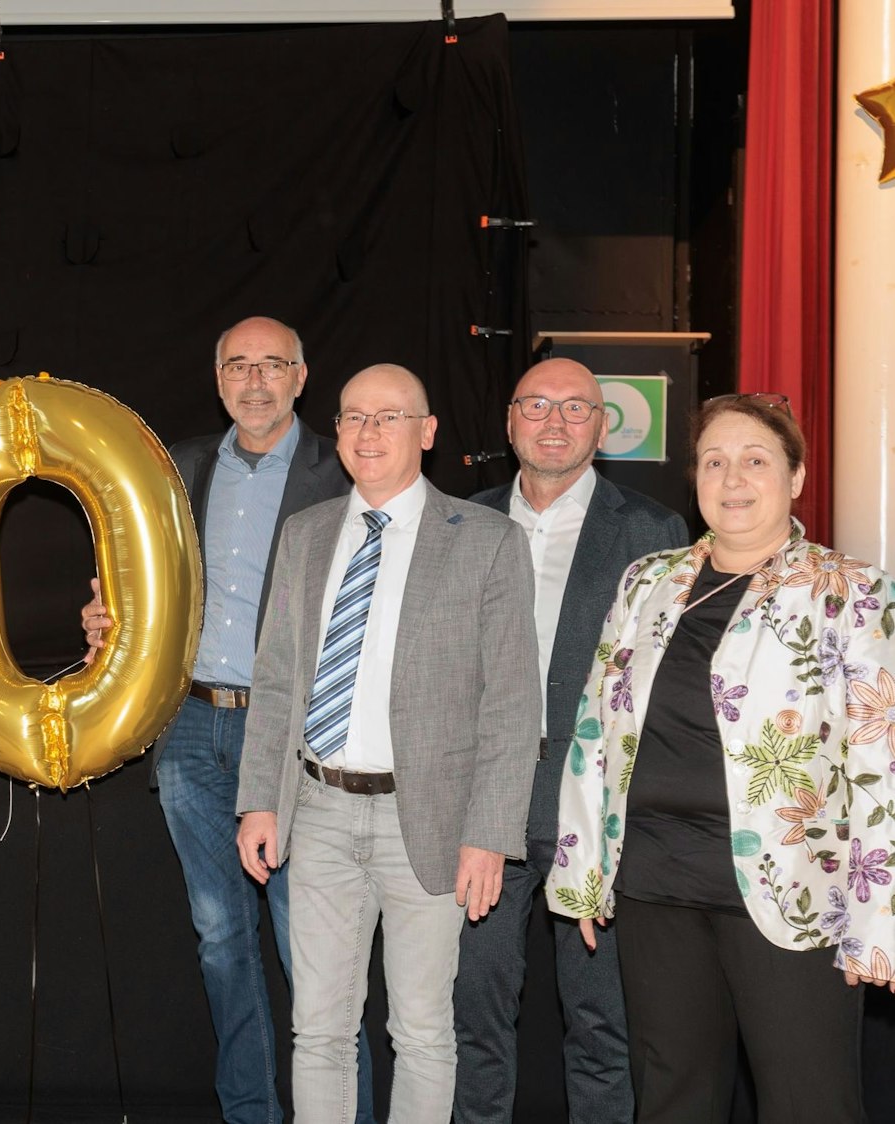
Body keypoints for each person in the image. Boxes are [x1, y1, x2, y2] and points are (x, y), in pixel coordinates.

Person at [547, 394, 895, 1122]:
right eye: (714, 461)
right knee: (674, 1099)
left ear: (796, 477)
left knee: (811, 1105)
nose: (732, 477)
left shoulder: (852, 593)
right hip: (653, 886)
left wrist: (880, 914)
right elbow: (594, 733)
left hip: (791, 891)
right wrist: (582, 870)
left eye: (755, 459)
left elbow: (880, 758)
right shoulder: (647, 583)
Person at [236, 363, 539, 1122]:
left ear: (427, 433)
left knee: (425, 1033)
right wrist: (258, 804)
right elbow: (275, 681)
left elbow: (510, 704)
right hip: (318, 812)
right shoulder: (304, 536)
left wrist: (489, 836)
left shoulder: (488, 542)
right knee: (320, 1031)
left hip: (429, 824)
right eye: (352, 418)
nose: (368, 434)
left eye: (389, 417)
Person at [81, 316, 364, 1123]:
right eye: (237, 365)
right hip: (193, 734)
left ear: (301, 378)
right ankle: (250, 1114)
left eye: (272, 365)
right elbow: (137, 582)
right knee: (221, 945)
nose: (254, 380)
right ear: (218, 378)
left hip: (296, 739)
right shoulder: (179, 468)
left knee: (313, 951)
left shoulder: (343, 473)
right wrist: (108, 619)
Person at [452, 358, 686, 1123]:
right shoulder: (461, 521)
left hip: (597, 805)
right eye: (537, 404)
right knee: (475, 1017)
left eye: (575, 408)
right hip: (483, 802)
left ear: (603, 425)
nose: (554, 421)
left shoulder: (653, 531)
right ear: (510, 419)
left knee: (601, 1024)